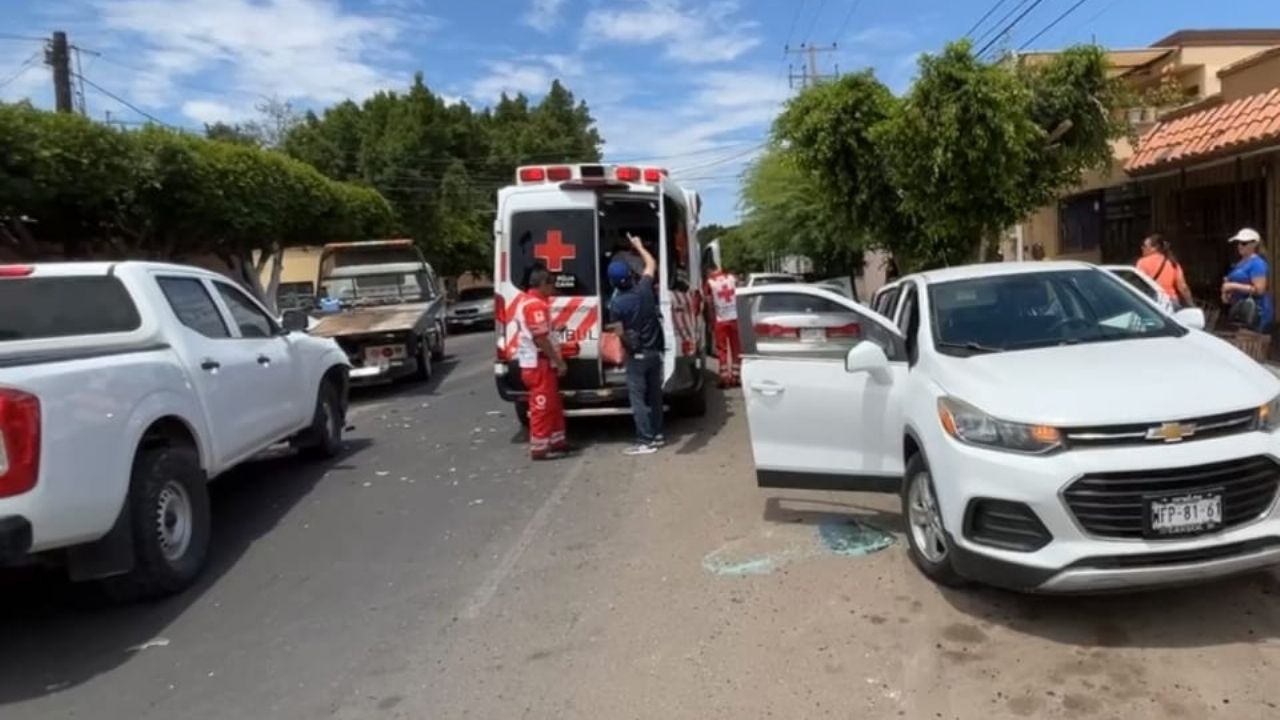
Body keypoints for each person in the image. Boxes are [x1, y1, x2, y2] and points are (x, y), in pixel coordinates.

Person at [607, 234, 664, 456]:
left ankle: (645, 441)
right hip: (654, 353)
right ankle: (658, 434)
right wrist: (639, 246)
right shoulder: (645, 289)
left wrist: (627, 347)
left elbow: (619, 332)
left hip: (637, 356)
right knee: (655, 396)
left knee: (638, 399)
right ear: (631, 275)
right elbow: (651, 264)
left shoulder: (617, 304)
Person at [514, 266, 571, 460]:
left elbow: (542, 332)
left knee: (553, 404)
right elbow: (540, 338)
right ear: (543, 284)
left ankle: (556, 441)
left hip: (540, 363)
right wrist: (559, 362)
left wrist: (555, 329)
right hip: (539, 364)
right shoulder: (535, 305)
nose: (553, 289)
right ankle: (539, 448)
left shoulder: (531, 302)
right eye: (551, 284)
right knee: (542, 406)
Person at [1221, 227, 1272, 332]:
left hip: (1254, 312)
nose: (1239, 246)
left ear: (1253, 244)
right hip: (1240, 310)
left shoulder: (1257, 263)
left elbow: (1259, 290)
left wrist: (1233, 286)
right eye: (1239, 243)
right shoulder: (1240, 263)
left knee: (1249, 345)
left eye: (1243, 243)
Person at [703, 259, 741, 388]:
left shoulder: (709, 283)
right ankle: (736, 377)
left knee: (722, 350)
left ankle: (725, 379)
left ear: (709, 270)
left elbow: (708, 304)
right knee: (736, 348)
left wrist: (709, 322)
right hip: (735, 318)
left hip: (720, 320)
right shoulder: (732, 278)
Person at [1136, 233, 1194, 309]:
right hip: (1171, 302)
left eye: (1145, 246)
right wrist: (1191, 304)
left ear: (1155, 248)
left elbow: (1138, 285)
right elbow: (1182, 287)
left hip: (1152, 301)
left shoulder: (1142, 262)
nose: (1142, 248)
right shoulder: (1172, 262)